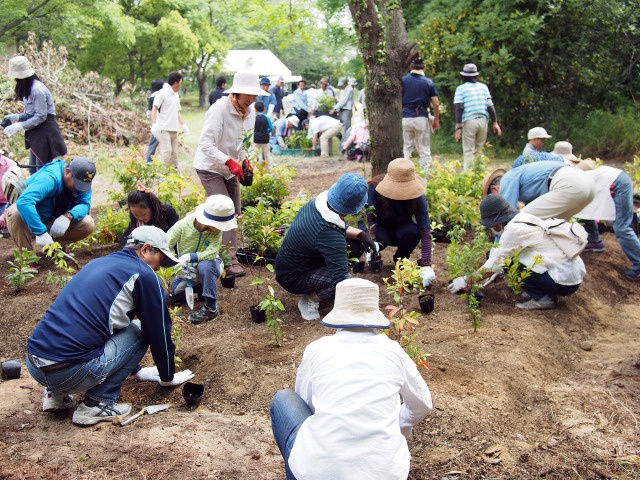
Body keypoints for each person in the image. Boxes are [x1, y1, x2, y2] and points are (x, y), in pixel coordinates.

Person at [25, 226, 194, 426]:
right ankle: (97, 404)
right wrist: (167, 376)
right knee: (140, 330)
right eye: (160, 259)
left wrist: (137, 370)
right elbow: (158, 333)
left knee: (92, 327)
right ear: (146, 249)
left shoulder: (98, 263)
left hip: (34, 366)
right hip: (69, 373)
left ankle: (55, 395)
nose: (158, 267)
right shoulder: (144, 274)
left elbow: (101, 322)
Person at [270, 278, 433, 480]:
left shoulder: (318, 349)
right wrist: (400, 422)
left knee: (283, 398)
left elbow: (306, 405)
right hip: (385, 473)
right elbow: (423, 404)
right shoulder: (393, 351)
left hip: (319, 472)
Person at [449, 195, 586, 310]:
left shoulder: (513, 230)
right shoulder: (524, 218)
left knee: (508, 263)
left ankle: (542, 298)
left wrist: (465, 280)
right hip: (571, 275)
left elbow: (493, 265)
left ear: (498, 221)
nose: (492, 229)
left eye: (491, 225)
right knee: (504, 260)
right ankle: (539, 289)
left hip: (563, 281)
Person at [194, 70, 267, 277]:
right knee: (224, 210)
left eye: (255, 96)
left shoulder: (250, 112)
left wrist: (245, 160)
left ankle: (206, 244)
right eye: (248, 96)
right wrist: (228, 161)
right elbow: (205, 145)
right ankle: (229, 261)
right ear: (236, 93)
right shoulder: (219, 110)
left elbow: (245, 142)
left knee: (234, 211)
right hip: (210, 167)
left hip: (229, 168)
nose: (252, 100)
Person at [275, 173, 377, 321]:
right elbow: (341, 279)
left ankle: (318, 285)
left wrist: (361, 235)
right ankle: (310, 299)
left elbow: (333, 225)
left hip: (291, 264)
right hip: (293, 278)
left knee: (356, 243)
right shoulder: (329, 234)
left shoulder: (317, 203)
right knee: (340, 283)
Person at [5, 158, 96, 258]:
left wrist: (68, 216)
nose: (80, 188)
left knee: (88, 223)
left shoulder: (81, 180)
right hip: (27, 218)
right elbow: (24, 202)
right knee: (16, 213)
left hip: (50, 217)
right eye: (77, 183)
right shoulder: (49, 178)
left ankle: (53, 248)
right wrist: (40, 232)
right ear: (67, 171)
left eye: (83, 185)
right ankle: (28, 258)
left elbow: (84, 204)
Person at [365, 158, 436, 287]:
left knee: (413, 232)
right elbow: (369, 218)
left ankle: (401, 259)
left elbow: (425, 229)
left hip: (401, 227)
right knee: (381, 239)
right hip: (380, 227)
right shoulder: (375, 188)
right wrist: (371, 241)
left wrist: (426, 265)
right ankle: (375, 256)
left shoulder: (417, 195)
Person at [168, 195, 237, 324]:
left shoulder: (216, 232)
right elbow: (167, 246)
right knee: (169, 296)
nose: (223, 229)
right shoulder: (182, 226)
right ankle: (199, 288)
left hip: (211, 265)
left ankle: (211, 307)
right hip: (186, 270)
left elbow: (212, 253)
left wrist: (190, 257)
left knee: (205, 265)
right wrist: (177, 265)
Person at [572, 160, 640, 281]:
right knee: (583, 211)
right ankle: (594, 241)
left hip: (619, 183)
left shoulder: (581, 180)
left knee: (621, 228)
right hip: (619, 179)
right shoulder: (590, 177)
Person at [1, 56, 67, 174]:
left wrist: (20, 126)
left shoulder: (38, 90)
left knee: (41, 170)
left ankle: (45, 192)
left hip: (45, 132)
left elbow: (41, 116)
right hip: (36, 133)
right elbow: (30, 113)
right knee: (33, 169)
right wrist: (16, 118)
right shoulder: (29, 89)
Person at [482, 161, 596, 221]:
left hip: (569, 184)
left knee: (519, 222)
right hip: (588, 185)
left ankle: (499, 263)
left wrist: (496, 248)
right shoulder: (521, 178)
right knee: (552, 228)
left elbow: (507, 218)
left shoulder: (508, 178)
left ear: (494, 189)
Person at [453, 63, 502, 171]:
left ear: (464, 76)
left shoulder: (461, 89)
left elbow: (459, 108)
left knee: (468, 151)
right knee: (479, 150)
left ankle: (468, 176)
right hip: (483, 121)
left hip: (469, 121)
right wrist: (495, 122)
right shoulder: (483, 87)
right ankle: (478, 173)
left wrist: (458, 127)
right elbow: (490, 106)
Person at [402, 57, 440, 170]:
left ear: (411, 67)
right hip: (421, 118)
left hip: (406, 117)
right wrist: (436, 119)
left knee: (406, 148)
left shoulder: (403, 81)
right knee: (424, 149)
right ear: (424, 67)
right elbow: (436, 104)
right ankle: (423, 177)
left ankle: (403, 174)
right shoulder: (428, 82)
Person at [120, 181, 179, 246]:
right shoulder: (136, 220)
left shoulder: (167, 212)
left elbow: (175, 238)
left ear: (152, 207)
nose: (140, 218)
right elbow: (124, 239)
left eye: (144, 214)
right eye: (136, 215)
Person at [151, 71, 189, 168]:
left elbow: (177, 112)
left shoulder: (175, 95)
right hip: (163, 128)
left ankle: (171, 176)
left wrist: (183, 125)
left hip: (174, 129)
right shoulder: (162, 93)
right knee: (166, 152)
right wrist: (154, 124)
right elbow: (154, 109)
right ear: (175, 83)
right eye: (180, 83)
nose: (181, 86)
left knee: (174, 154)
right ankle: (158, 174)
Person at [144, 78, 164, 163]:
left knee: (152, 146)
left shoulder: (152, 97)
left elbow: (152, 112)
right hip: (167, 124)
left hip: (157, 125)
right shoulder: (165, 95)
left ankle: (148, 163)